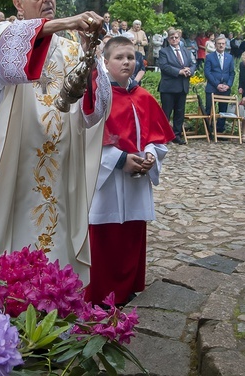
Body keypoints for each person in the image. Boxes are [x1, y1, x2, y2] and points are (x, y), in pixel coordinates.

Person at [0, 0, 111, 282]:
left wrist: (89, 57)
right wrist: (69, 22)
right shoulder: (3, 36)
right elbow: (9, 63)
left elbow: (93, 115)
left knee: (57, 246)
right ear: (18, 3)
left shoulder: (71, 49)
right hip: (14, 166)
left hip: (60, 169)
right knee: (11, 245)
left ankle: (55, 304)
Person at [85, 36, 173, 306]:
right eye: (119, 57)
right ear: (106, 61)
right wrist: (121, 159)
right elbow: (85, 139)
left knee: (132, 235)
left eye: (131, 57)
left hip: (136, 182)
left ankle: (128, 289)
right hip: (107, 182)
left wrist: (150, 155)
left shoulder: (142, 96)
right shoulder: (98, 97)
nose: (126, 62)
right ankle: (100, 293)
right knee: (105, 236)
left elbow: (156, 138)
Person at [157, 28, 196, 145]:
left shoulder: (186, 51)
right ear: (168, 39)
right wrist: (179, 71)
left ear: (180, 38)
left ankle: (177, 135)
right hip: (169, 87)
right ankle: (163, 135)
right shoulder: (164, 51)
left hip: (182, 85)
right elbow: (164, 66)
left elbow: (193, 63)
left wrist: (190, 70)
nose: (174, 39)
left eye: (176, 37)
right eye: (172, 38)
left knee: (180, 112)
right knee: (166, 112)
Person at [204, 35, 236, 134]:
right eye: (219, 44)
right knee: (209, 109)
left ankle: (220, 130)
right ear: (215, 45)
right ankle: (208, 130)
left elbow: (232, 73)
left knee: (223, 109)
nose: (221, 46)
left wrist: (228, 85)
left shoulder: (229, 57)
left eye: (223, 44)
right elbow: (207, 72)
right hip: (212, 87)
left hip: (225, 88)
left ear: (225, 45)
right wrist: (217, 84)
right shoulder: (209, 57)